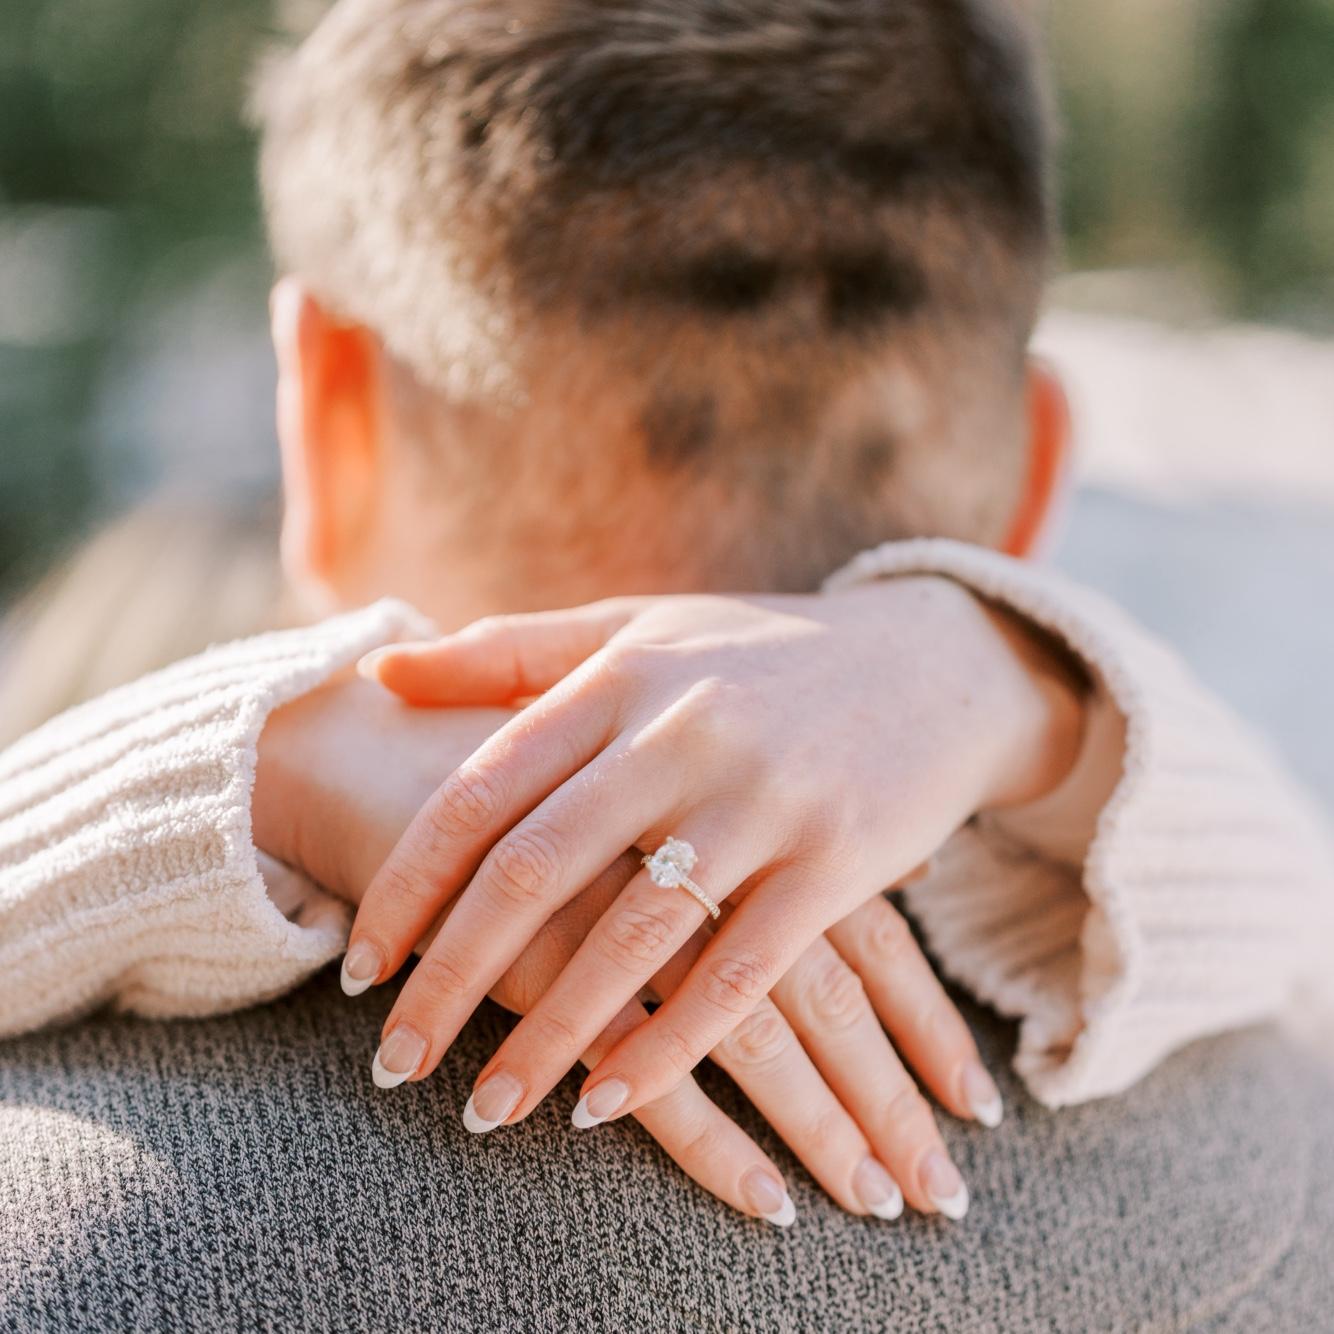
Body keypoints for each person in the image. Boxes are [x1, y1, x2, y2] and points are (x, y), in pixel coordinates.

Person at [2, 0, 1332, 1327]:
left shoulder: (72, 1232)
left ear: (326, 415)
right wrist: (1036, 691)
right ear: (1037, 474)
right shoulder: (1258, 1116)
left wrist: (256, 767)